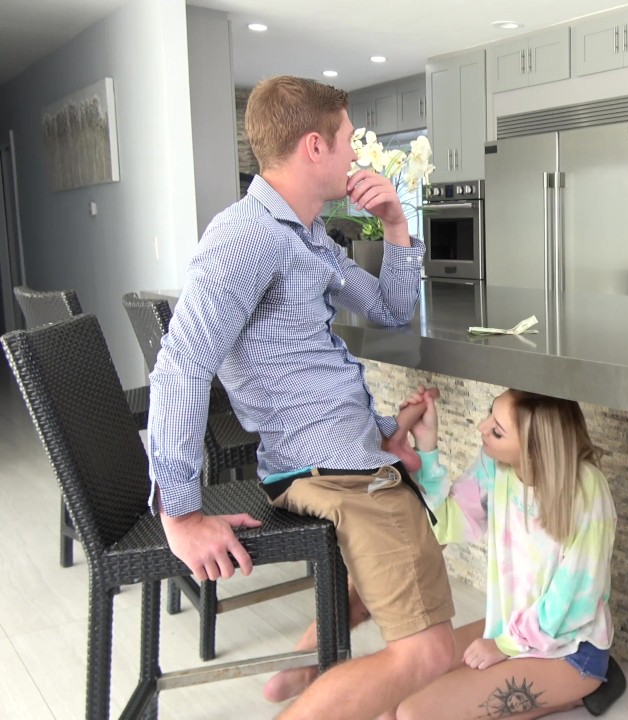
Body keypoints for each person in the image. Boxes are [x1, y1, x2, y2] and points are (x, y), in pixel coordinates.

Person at [147, 76, 455, 720]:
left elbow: (391, 309)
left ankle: (299, 671)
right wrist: (180, 513)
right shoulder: (248, 236)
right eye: (347, 141)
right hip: (333, 472)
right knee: (429, 654)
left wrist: (395, 223)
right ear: (315, 146)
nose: (354, 156)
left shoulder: (305, 235)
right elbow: (181, 364)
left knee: (389, 576)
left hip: (335, 456)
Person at [318, 388, 621, 720]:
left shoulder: (586, 490)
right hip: (511, 629)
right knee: (389, 701)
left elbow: (575, 600)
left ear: (535, 447)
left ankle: (572, 692)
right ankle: (552, 701)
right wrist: (427, 448)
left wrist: (503, 646)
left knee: (412, 713)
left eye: (497, 430)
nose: (481, 427)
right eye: (490, 415)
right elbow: (442, 527)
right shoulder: (496, 466)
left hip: (571, 651)